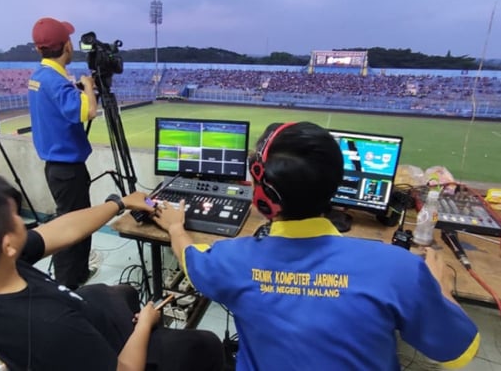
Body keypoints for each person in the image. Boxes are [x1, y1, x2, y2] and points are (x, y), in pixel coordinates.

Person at [153, 121, 479, 370]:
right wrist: (442, 288)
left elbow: (189, 257)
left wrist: (175, 227)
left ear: (262, 195)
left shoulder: (229, 259)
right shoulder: (400, 269)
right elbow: (458, 352)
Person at [0, 168, 224, 371]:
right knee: (204, 343)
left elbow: (59, 232)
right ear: (8, 245)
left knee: (121, 294)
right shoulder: (49, 327)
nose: (23, 220)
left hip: (75, 329)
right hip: (105, 355)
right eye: (14, 215)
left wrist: (119, 203)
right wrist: (145, 327)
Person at [27, 16, 98, 288]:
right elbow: (87, 111)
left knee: (70, 222)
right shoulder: (56, 81)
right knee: (73, 228)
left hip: (56, 167)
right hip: (68, 170)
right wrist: (89, 88)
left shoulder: (39, 76)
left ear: (38, 49)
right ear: (67, 45)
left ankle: (74, 276)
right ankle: (68, 285)